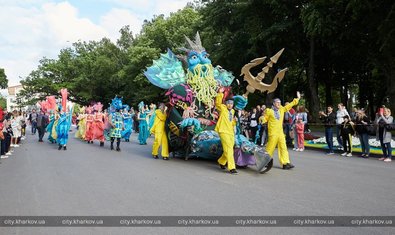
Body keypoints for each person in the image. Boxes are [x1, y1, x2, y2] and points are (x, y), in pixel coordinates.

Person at [262, 92, 300, 169]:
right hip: (273, 133)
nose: (279, 104)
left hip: (280, 132)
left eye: (280, 102)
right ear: (273, 103)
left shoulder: (282, 109)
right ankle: (265, 161)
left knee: (283, 147)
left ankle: (285, 163)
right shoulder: (269, 111)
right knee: (270, 148)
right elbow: (264, 118)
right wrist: (261, 119)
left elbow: (290, 105)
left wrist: (297, 99)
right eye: (277, 102)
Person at [215, 88, 238, 174]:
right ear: (226, 104)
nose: (230, 105)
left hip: (230, 132)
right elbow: (217, 103)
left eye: (231, 104)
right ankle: (232, 167)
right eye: (228, 103)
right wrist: (220, 93)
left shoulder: (232, 111)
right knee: (229, 148)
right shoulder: (223, 108)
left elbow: (231, 122)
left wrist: (234, 120)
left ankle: (221, 161)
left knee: (229, 148)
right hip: (223, 131)